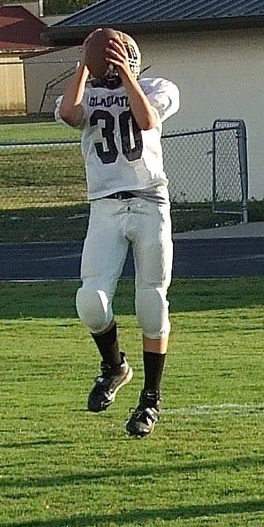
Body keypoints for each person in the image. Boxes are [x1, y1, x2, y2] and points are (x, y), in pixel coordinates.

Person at [54, 28, 180, 438]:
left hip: (149, 201)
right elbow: (70, 115)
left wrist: (125, 76)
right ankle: (114, 366)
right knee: (90, 301)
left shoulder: (157, 87)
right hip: (105, 206)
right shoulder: (85, 94)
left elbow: (146, 120)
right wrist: (83, 68)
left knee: (151, 302)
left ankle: (151, 399)